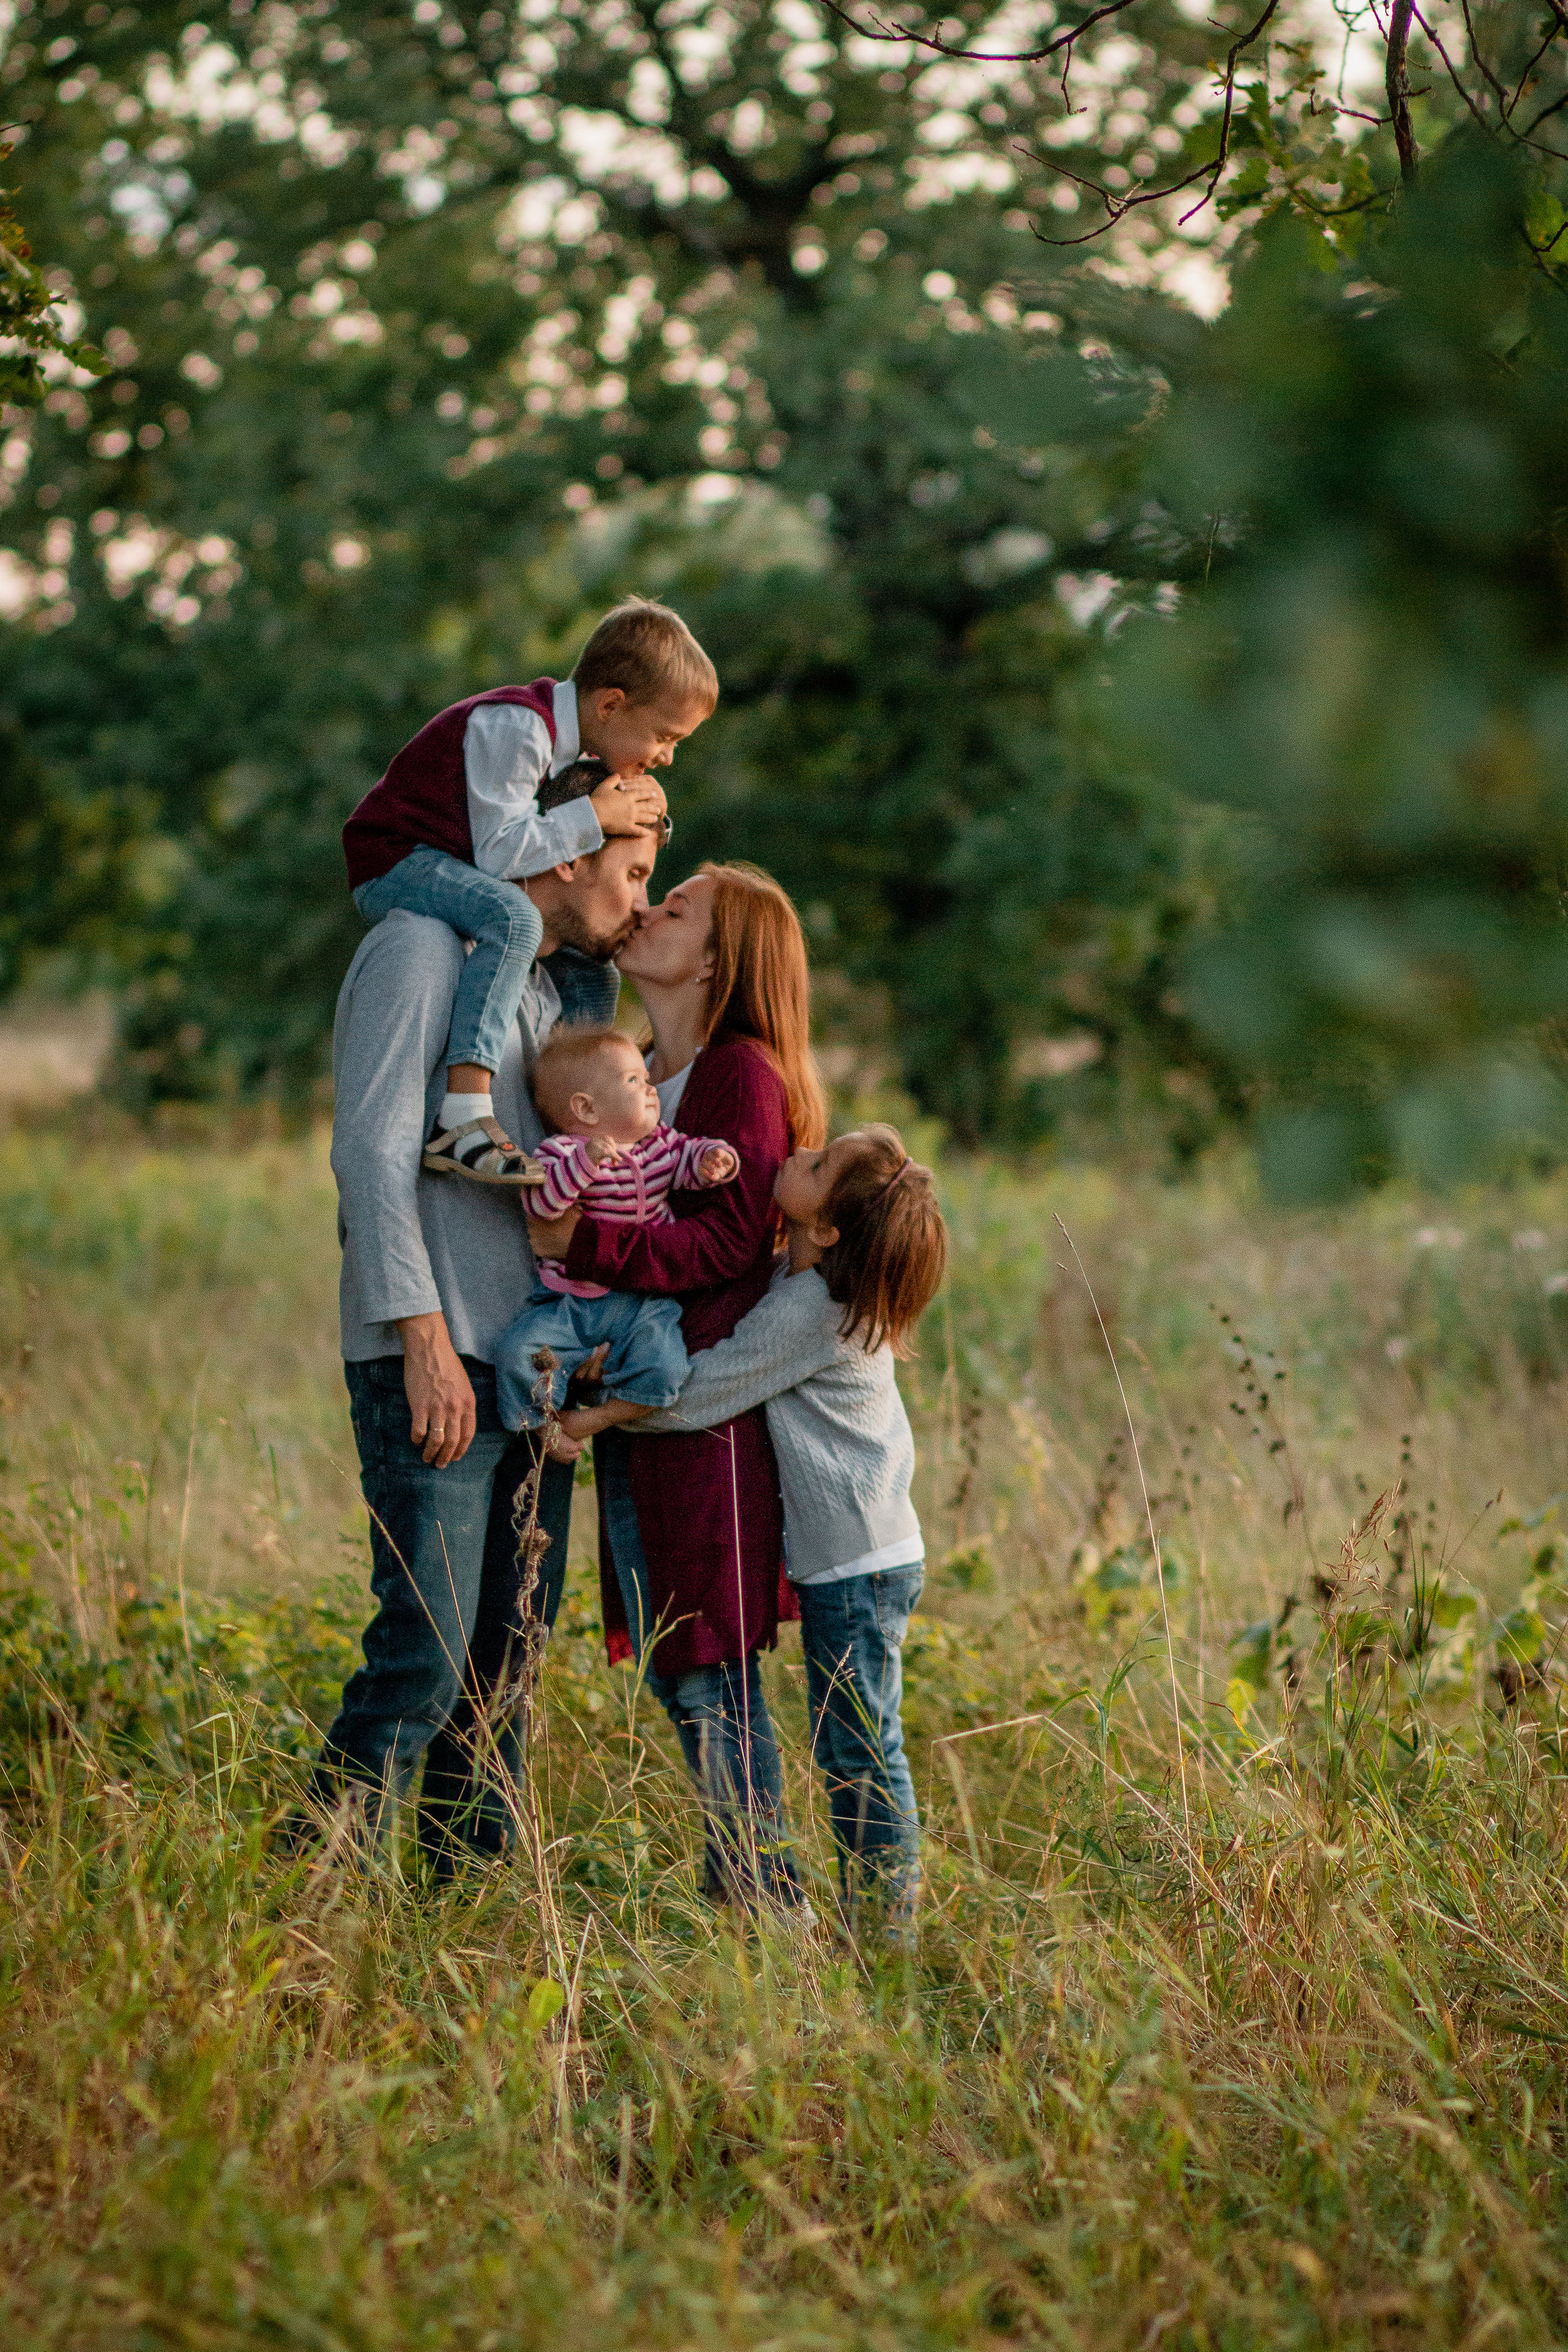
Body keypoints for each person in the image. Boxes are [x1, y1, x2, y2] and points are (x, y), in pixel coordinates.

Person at [301, 762, 661, 1875]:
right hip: (436, 1354)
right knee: (426, 1652)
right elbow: (370, 1152)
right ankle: (310, 1896)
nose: (643, 901)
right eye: (634, 873)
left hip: (526, 1367)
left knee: (508, 1660)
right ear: (569, 854)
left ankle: (466, 1904)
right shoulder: (422, 946)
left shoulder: (552, 992)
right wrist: (420, 1342)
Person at [525, 862, 827, 1917]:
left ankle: (770, 1906)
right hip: (641, 1404)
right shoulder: (642, 1072)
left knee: (707, 1665)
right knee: (680, 1663)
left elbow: (730, 1243)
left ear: (714, 961)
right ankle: (747, 1894)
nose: (649, 909)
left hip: (704, 1416)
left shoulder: (742, 1074)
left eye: (678, 908)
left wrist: (581, 1245)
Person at [562, 1123, 947, 1939]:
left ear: (828, 1229)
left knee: (860, 1749)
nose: (797, 1152)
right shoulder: (796, 1280)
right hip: (861, 1558)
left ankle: (887, 1940)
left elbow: (701, 1395)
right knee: (855, 1743)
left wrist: (596, 1409)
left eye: (818, 1164)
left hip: (858, 1565)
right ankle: (872, 1927)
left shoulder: (814, 1310)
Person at [340, 597, 715, 1183]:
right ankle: (464, 1115)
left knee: (594, 971)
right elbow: (500, 852)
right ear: (610, 705)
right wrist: (595, 817)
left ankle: (583, 1125)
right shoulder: (518, 727)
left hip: (448, 864)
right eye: (665, 737)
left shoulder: (574, 746)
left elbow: (564, 812)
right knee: (516, 919)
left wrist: (640, 815)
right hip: (398, 860)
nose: (666, 757)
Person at [492, 1024, 739, 1428]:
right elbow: (542, 1204)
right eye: (633, 1080)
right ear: (586, 1109)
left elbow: (688, 1158)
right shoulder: (560, 1151)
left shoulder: (658, 1145)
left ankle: (610, 1412)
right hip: (572, 1301)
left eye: (646, 1077)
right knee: (519, 1353)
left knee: (666, 1364)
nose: (651, 1088)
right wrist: (585, 1162)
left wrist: (713, 1159)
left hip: (643, 1299)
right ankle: (542, 1427)